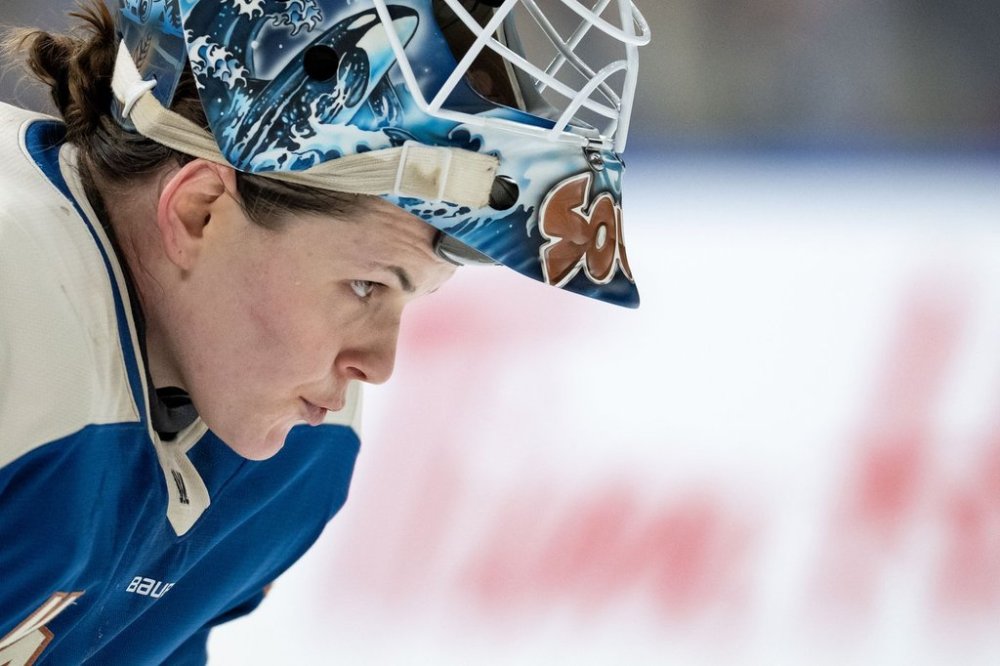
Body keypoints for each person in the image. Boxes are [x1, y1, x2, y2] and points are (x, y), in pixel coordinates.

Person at [0, 0, 650, 662]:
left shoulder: (298, 459)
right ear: (199, 213)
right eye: (367, 285)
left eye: (414, 297)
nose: (379, 365)